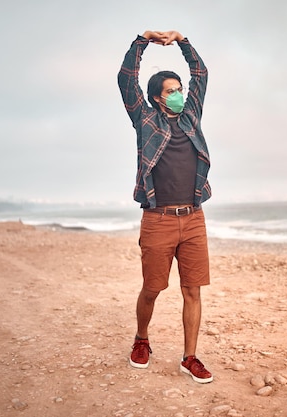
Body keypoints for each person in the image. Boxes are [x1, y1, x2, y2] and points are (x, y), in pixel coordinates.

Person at [118, 30, 213, 383]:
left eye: (179, 90)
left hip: (193, 217)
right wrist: (142, 41)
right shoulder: (145, 120)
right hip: (157, 219)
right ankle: (142, 338)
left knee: (193, 290)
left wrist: (183, 42)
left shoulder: (190, 118)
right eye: (171, 92)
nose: (179, 95)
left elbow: (200, 74)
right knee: (153, 289)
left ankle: (190, 357)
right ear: (158, 99)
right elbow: (126, 79)